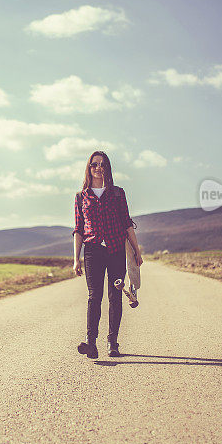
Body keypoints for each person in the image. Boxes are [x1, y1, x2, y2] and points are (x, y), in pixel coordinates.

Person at [72, 151, 143, 358]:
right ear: (89, 167)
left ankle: (113, 343)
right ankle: (90, 342)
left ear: (108, 168)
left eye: (102, 164)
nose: (98, 167)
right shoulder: (81, 197)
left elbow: (127, 223)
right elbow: (78, 229)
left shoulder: (118, 194)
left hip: (115, 250)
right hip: (92, 251)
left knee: (115, 296)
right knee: (94, 296)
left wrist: (136, 251)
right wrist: (76, 259)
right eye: (94, 164)